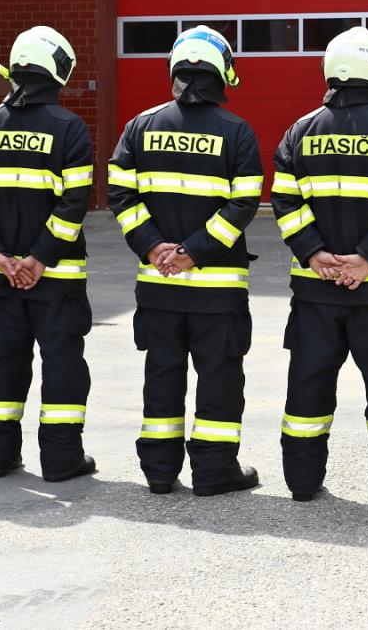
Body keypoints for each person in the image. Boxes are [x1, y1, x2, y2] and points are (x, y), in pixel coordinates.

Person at [271, 26, 368, 508]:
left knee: (308, 385)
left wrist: (314, 253)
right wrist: (367, 258)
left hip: (315, 288)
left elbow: (284, 200)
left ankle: (301, 481)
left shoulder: (300, 129)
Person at [107, 25, 264, 497]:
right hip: (217, 288)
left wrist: (155, 248)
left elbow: (119, 193)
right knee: (218, 375)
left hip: (159, 285)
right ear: (221, 70)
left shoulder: (140, 126)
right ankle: (214, 473)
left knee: (162, 372)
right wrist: (193, 251)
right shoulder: (236, 131)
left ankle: (158, 471)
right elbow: (245, 203)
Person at [0, 27, 96, 483]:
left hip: (0, 279)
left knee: (3, 366)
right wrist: (39, 259)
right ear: (58, 71)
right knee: (62, 368)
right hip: (56, 279)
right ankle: (60, 461)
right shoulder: (69, 128)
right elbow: (73, 204)